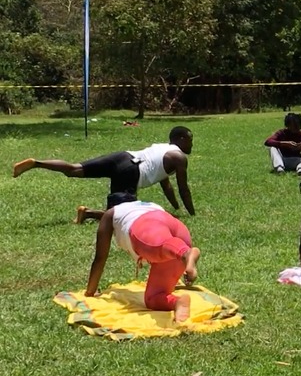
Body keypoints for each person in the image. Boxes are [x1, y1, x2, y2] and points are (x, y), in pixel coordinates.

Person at [12, 126, 196, 222]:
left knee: (74, 169)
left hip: (123, 156)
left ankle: (36, 163)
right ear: (180, 139)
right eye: (190, 140)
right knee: (120, 217)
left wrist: (176, 209)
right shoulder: (179, 157)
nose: (191, 145)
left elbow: (166, 184)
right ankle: (88, 214)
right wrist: (192, 214)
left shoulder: (161, 148)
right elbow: (183, 188)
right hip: (131, 172)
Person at [85, 193, 202, 322]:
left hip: (146, 225)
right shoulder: (150, 205)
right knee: (153, 298)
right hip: (176, 231)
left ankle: (186, 253)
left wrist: (89, 293)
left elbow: (100, 258)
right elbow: (167, 222)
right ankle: (177, 303)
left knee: (161, 245)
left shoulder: (111, 213)